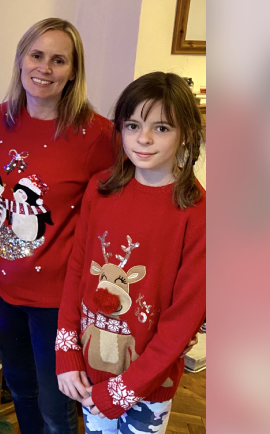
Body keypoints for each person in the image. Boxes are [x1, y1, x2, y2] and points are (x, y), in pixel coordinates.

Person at [0, 18, 115, 434]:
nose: (45, 68)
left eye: (59, 60)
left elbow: (107, 221)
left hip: (57, 300)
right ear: (21, 59)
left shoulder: (96, 135)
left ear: (73, 72)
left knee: (57, 404)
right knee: (19, 388)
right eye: (37, 55)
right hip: (3, 288)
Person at [55, 71, 206, 434]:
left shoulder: (197, 211)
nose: (144, 139)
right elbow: (78, 271)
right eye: (133, 125)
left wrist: (125, 390)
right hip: (91, 374)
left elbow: (182, 319)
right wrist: (66, 352)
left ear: (185, 132)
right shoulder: (101, 189)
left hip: (149, 386)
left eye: (162, 128)